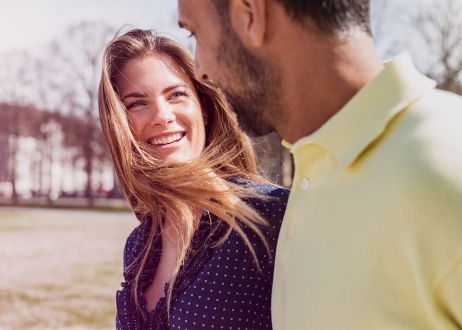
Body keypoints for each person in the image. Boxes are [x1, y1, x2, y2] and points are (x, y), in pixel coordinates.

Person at [177, 0, 462, 329]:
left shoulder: (447, 161)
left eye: (195, 32)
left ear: (250, 14)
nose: (199, 71)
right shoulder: (315, 168)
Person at [98, 28, 289, 329]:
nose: (162, 115)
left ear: (205, 109)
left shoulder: (271, 216)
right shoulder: (139, 244)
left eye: (176, 95)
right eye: (137, 103)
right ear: (119, 126)